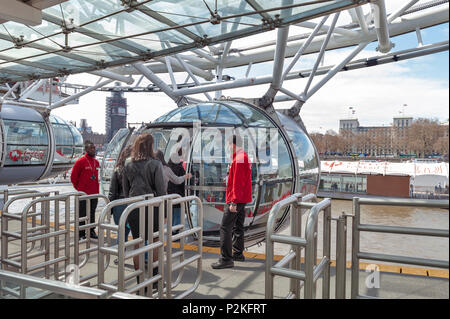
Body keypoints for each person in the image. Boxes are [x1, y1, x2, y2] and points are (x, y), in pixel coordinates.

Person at [122, 133, 166, 275]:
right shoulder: (156, 164)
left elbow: (125, 189)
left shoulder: (128, 163)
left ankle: (139, 279)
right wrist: (164, 212)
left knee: (137, 244)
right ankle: (154, 278)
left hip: (134, 207)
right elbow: (161, 191)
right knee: (154, 243)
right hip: (152, 207)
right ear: (151, 146)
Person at [212, 134, 252, 269]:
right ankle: (238, 253)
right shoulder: (243, 157)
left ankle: (226, 258)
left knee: (225, 227)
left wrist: (233, 202)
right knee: (238, 226)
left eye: (228, 145)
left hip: (236, 199)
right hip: (242, 198)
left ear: (233, 145)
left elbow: (237, 183)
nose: (228, 148)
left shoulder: (239, 159)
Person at [71, 140, 100, 239]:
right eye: (91, 148)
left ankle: (91, 231)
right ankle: (81, 233)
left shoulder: (96, 162)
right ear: (86, 149)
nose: (93, 150)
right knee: (82, 213)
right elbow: (73, 178)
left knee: (92, 213)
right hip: (83, 193)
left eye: (94, 148)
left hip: (95, 193)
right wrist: (80, 189)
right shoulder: (80, 161)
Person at [108, 145, 132, 243]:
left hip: (119, 204)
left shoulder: (118, 170)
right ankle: (143, 257)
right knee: (138, 232)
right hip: (134, 203)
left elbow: (112, 191)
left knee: (121, 233)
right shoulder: (136, 169)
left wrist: (109, 209)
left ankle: (120, 255)